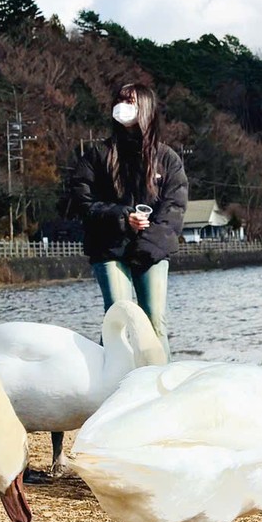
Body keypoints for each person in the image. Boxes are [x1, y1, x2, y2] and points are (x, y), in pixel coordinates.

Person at [67, 82, 187, 344]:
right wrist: (122, 217)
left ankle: (158, 381)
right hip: (109, 247)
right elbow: (81, 201)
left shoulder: (167, 159)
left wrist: (149, 239)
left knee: (154, 320)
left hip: (152, 249)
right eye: (120, 100)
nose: (123, 106)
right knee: (117, 320)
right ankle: (109, 382)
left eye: (130, 101)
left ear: (145, 108)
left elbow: (174, 208)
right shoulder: (98, 155)